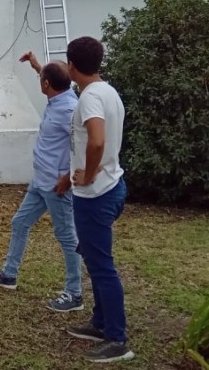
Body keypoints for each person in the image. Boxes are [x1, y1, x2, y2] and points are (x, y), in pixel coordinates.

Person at [0, 51, 83, 312]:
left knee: (67, 237)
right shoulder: (60, 95)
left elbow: (83, 143)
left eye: (42, 77)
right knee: (20, 222)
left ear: (46, 85)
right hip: (40, 182)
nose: (41, 79)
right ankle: (9, 275)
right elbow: (53, 78)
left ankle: (74, 294)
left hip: (57, 186)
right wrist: (38, 66)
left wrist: (68, 178)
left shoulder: (69, 109)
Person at [60, 36, 134, 363]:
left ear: (72, 66)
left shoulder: (89, 98)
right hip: (112, 186)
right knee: (94, 259)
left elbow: (96, 141)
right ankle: (100, 323)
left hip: (96, 193)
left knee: (102, 267)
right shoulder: (108, 91)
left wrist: (87, 175)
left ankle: (117, 339)